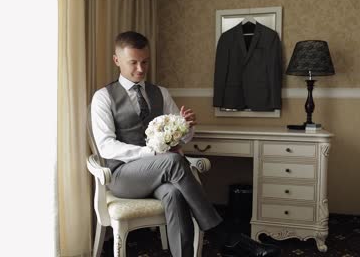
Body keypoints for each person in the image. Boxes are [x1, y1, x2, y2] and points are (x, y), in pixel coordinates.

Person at [90, 31, 281, 257]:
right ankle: (225, 236)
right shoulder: (103, 97)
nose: (140, 69)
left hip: (160, 174)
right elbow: (106, 146)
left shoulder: (160, 93)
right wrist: (150, 153)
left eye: (145, 62)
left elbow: (181, 138)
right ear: (117, 60)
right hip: (123, 176)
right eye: (133, 62)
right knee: (172, 160)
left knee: (174, 194)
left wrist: (186, 127)